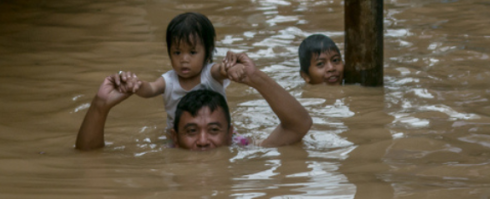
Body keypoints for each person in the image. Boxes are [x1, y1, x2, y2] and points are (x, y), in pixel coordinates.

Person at [75, 54, 313, 151]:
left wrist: (256, 78)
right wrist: (100, 105)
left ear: (231, 134)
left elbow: (299, 125)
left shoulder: (243, 149)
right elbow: (89, 157)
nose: (202, 141)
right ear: (174, 137)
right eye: (191, 131)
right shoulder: (163, 153)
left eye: (214, 130)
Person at [117, 12, 237, 132]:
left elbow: (222, 70)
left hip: (216, 134)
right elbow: (150, 89)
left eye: (192, 52)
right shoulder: (168, 81)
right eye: (177, 52)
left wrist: (231, 67)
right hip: (179, 139)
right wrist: (135, 84)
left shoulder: (210, 74)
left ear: (208, 53)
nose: (184, 60)